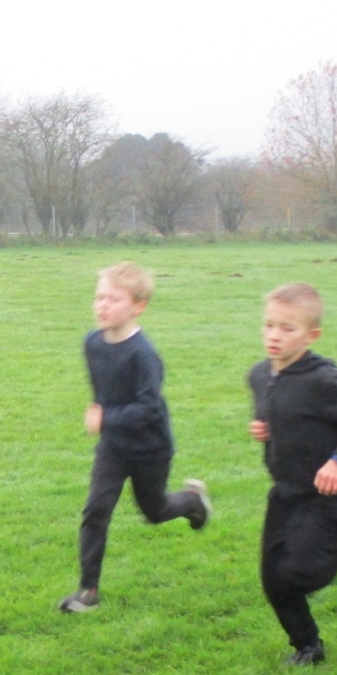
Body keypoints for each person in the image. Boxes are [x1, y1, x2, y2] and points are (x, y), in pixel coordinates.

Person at [59, 261, 210, 613]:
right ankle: (88, 591)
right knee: (96, 511)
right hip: (113, 447)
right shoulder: (92, 343)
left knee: (154, 512)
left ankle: (192, 501)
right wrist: (103, 413)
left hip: (150, 449)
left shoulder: (143, 354)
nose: (102, 305)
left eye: (113, 299)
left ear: (138, 307)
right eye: (99, 297)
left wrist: (106, 417)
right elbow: (103, 388)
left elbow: (149, 409)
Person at [248, 282, 337, 665]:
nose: (274, 335)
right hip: (284, 493)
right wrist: (264, 427)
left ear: (312, 335)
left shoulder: (322, 381)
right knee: (273, 579)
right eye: (269, 325)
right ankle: (308, 647)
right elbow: (275, 410)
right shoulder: (259, 375)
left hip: (322, 497)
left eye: (287, 328)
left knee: (298, 574)